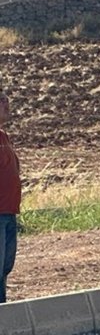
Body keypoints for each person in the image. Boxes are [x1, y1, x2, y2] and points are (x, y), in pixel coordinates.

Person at [0, 87, 20, 303]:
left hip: (8, 214)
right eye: (1, 100)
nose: (7, 103)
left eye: (7, 98)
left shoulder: (4, 137)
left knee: (5, 267)